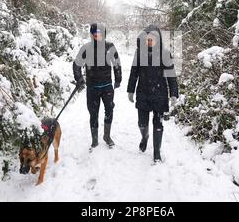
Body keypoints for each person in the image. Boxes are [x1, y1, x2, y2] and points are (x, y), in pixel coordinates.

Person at [127, 24, 179, 162]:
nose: (149, 42)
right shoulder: (139, 53)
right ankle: (144, 137)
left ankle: (156, 152)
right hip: (143, 93)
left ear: (158, 40)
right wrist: (130, 90)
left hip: (160, 95)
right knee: (142, 123)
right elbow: (134, 73)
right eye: (147, 39)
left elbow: (171, 76)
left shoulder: (165, 54)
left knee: (158, 125)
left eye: (152, 39)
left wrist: (174, 93)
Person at [73, 23, 122, 149]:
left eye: (99, 34)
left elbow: (116, 63)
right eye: (95, 34)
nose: (97, 36)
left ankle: (107, 136)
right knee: (93, 113)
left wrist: (118, 78)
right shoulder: (86, 48)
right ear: (91, 35)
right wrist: (79, 78)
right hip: (92, 87)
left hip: (107, 86)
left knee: (109, 110)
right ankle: (94, 140)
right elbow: (77, 64)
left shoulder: (110, 47)